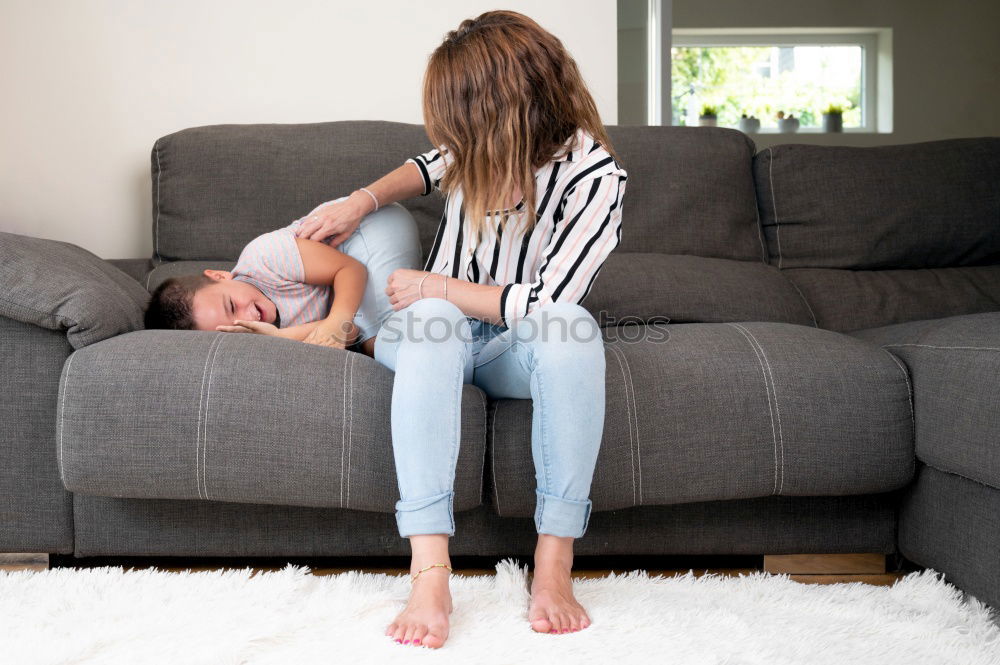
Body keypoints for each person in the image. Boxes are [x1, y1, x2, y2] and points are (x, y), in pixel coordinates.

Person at [294, 10, 628, 650]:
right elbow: (426, 165)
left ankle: (554, 568)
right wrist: (359, 203)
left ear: (508, 107)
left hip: (505, 345)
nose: (451, 134)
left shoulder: (595, 178)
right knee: (437, 321)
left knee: (572, 328)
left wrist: (438, 286)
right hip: (427, 337)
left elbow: (547, 299)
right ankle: (430, 574)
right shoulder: (471, 148)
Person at [142, 197, 422, 357]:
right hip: (355, 286)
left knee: (381, 346)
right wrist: (277, 336)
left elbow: (350, 270)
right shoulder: (262, 334)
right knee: (371, 339)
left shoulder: (265, 257)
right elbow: (350, 334)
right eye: (238, 328)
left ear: (219, 276)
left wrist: (337, 320)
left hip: (370, 227)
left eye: (232, 305)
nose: (249, 317)